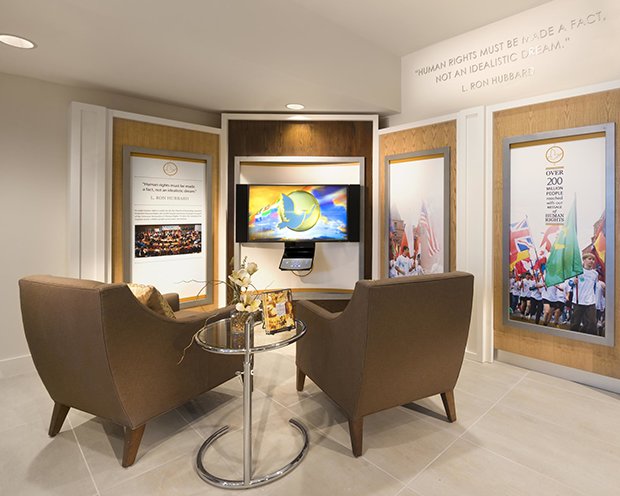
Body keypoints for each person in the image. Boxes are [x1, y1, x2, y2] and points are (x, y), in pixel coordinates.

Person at [569, 253, 598, 334]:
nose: (591, 261)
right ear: (584, 260)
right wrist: (573, 282)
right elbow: (570, 283)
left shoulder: (595, 273)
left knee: (592, 323)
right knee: (575, 323)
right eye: (589, 259)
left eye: (593, 259)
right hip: (578, 301)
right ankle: (573, 338)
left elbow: (594, 287)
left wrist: (594, 297)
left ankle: (590, 338)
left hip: (590, 302)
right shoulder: (577, 271)